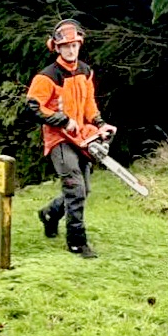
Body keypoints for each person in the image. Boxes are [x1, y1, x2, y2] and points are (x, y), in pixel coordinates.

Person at [25, 19, 115, 258]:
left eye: (74, 45)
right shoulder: (47, 77)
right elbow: (34, 107)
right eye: (66, 46)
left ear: (79, 45)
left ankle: (49, 213)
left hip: (82, 138)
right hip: (59, 139)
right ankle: (77, 242)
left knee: (83, 190)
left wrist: (100, 124)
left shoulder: (85, 71)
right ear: (56, 47)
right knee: (75, 189)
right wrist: (62, 120)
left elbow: (88, 104)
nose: (71, 49)